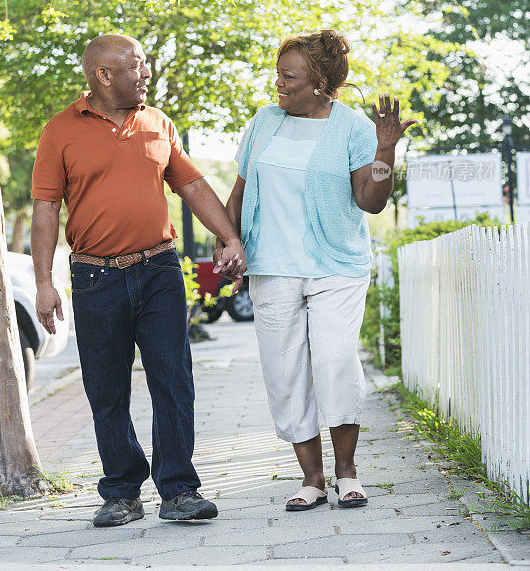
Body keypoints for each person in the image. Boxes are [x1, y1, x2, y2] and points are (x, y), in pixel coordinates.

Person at [31, 33, 245, 527]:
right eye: (137, 65)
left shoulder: (158, 123)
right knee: (106, 389)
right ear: (104, 75)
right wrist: (44, 282)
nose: (145, 72)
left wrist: (229, 237)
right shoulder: (59, 131)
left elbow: (191, 184)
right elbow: (45, 208)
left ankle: (179, 489)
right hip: (94, 277)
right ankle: (123, 491)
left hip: (159, 270)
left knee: (173, 380)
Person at [219, 29, 417, 511]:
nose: (279, 85)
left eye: (289, 77)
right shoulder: (264, 122)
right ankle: (312, 478)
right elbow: (240, 192)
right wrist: (230, 242)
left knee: (334, 361)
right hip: (273, 266)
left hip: (336, 266)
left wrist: (384, 151)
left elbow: (370, 202)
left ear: (320, 81)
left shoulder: (351, 128)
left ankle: (347, 472)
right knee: (284, 371)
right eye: (279, 75)